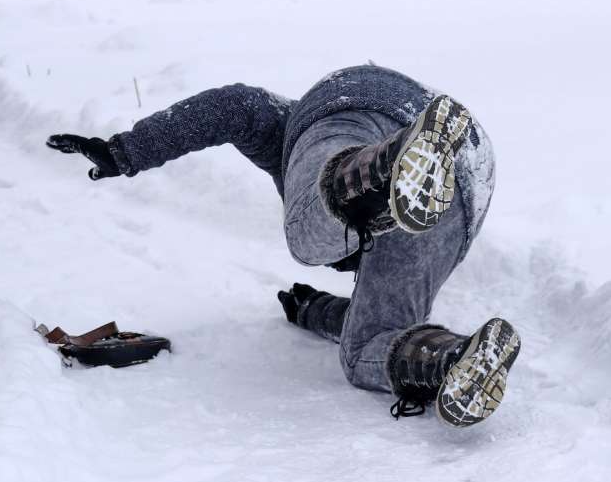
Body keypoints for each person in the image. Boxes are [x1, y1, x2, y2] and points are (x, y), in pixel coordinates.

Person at [46, 64, 521, 428]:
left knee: (309, 236)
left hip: (352, 103)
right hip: (468, 179)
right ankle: (454, 362)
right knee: (364, 352)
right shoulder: (411, 209)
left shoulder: (285, 125)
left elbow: (234, 106)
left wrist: (125, 151)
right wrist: (313, 310)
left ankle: (385, 163)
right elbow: (359, 314)